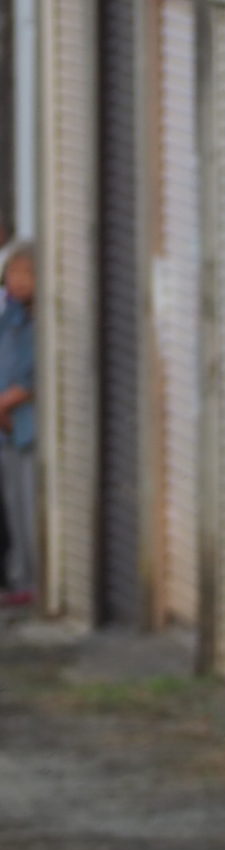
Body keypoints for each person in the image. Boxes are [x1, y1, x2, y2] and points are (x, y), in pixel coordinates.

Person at [0, 240, 36, 607]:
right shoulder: (10, 317)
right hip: (6, 427)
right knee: (13, 502)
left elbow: (37, 373)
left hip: (28, 424)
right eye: (12, 274)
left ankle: (38, 580)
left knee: (30, 500)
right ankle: (21, 579)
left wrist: (8, 400)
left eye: (26, 273)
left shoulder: (42, 320)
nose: (18, 281)